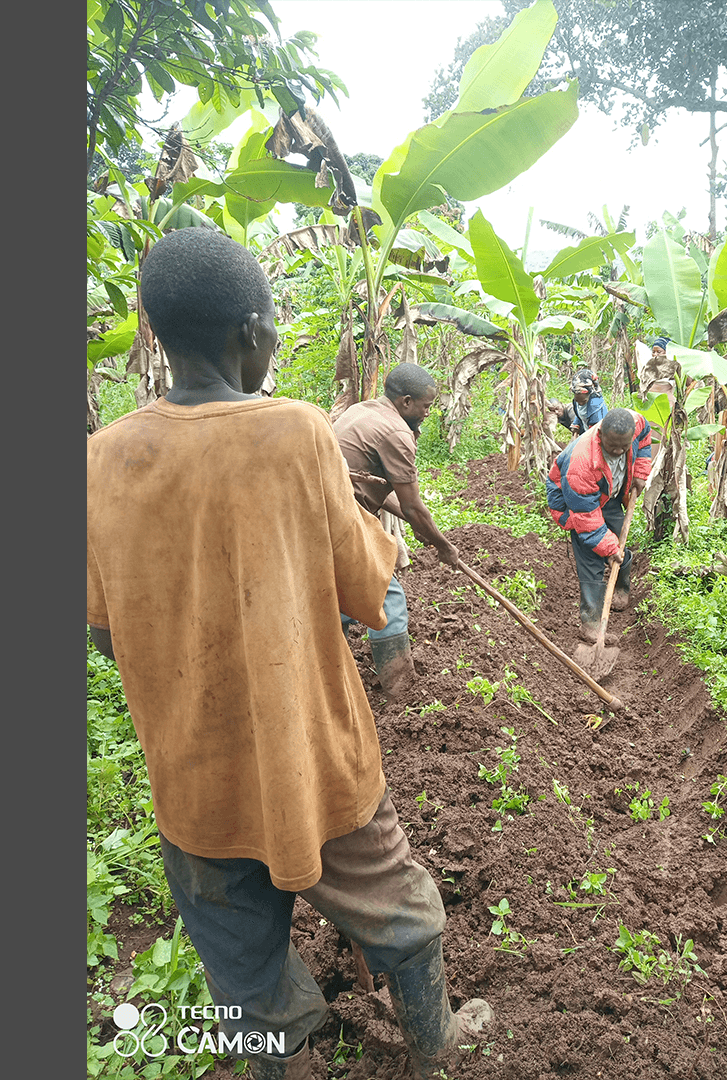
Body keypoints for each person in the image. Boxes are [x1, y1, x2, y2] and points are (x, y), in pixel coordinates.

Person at [86, 227, 491, 1080]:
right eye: (272, 321)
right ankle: (435, 1046)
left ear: (157, 332)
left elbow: (103, 629)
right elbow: (365, 591)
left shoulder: (99, 458)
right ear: (249, 332)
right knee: (404, 912)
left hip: (192, 778)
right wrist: (377, 539)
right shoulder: (297, 432)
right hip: (314, 758)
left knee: (242, 965)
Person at [331, 362, 461, 701]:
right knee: (389, 597)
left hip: (323, 514)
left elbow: (377, 488)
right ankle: (400, 690)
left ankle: (333, 683)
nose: (428, 413)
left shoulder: (364, 411)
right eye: (426, 406)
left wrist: (423, 528)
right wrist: (442, 545)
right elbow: (413, 506)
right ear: (406, 402)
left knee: (335, 600)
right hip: (342, 517)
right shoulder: (397, 433)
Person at [545, 407, 656, 643]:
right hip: (576, 504)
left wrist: (640, 472)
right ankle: (592, 624)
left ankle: (621, 588)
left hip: (608, 495)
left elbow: (645, 438)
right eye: (612, 446)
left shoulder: (635, 422)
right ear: (600, 434)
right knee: (592, 560)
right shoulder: (581, 462)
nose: (618, 451)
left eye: (623, 447)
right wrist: (608, 548)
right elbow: (586, 519)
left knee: (619, 546)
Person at [547, 367, 607, 439]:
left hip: (599, 435)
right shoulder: (576, 402)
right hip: (587, 431)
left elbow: (595, 430)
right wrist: (575, 429)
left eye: (583, 401)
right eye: (578, 401)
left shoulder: (595, 406)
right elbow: (578, 416)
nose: (580, 404)